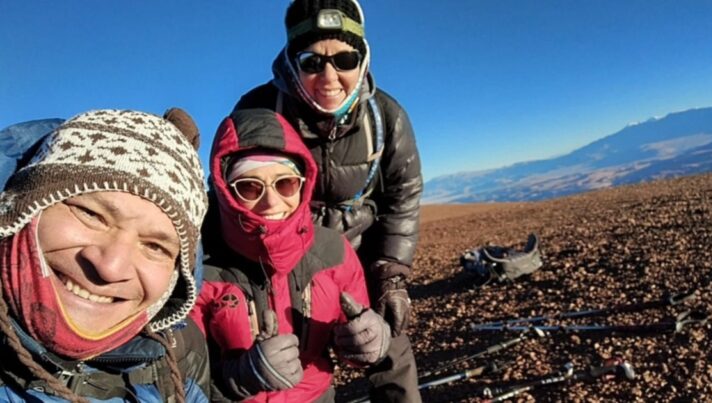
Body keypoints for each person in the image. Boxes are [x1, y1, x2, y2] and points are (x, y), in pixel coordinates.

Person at [233, 1, 423, 401]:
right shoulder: (259, 112)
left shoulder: (385, 117)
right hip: (280, 261)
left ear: (363, 58)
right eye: (311, 61)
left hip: (359, 257)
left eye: (345, 58)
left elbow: (403, 196)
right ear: (291, 60)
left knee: (389, 350)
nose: (330, 75)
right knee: (285, 369)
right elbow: (235, 192)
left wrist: (390, 274)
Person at [0, 109, 210, 402]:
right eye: (91, 214)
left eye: (155, 246)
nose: (111, 267)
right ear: (18, 208)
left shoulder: (172, 371)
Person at [189, 108, 391, 402]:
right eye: (249, 186)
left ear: (303, 184)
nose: (271, 201)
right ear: (225, 191)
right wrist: (241, 377)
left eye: (286, 183)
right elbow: (180, 375)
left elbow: (349, 339)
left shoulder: (333, 251)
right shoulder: (198, 266)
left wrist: (367, 341)